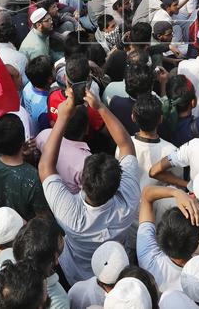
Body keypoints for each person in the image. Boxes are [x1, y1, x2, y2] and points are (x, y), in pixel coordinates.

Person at [40, 87, 140, 284]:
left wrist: (62, 117)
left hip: (76, 275)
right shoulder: (128, 199)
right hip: (117, 267)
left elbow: (45, 166)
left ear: (82, 183)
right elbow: (126, 145)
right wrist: (100, 107)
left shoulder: (71, 215)